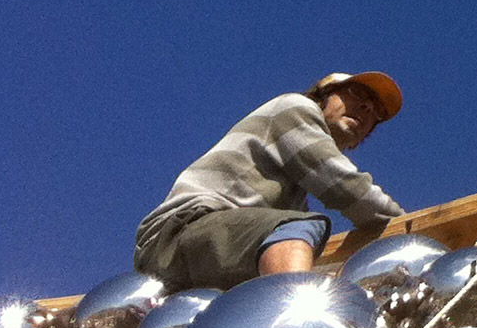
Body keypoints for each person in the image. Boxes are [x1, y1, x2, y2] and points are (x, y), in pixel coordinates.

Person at [133, 72, 408, 291]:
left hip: (210, 254)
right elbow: (347, 187)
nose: (366, 108)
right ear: (322, 96)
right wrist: (409, 230)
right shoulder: (295, 108)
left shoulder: (292, 195)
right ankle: (296, 327)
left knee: (312, 265)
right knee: (299, 228)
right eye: (357, 93)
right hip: (179, 232)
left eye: (376, 114)